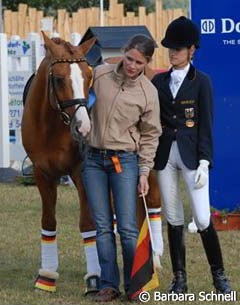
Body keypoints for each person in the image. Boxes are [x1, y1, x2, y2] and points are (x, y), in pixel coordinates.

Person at [152, 16, 231, 294]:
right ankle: (180, 279)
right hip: (165, 155)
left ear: (191, 50)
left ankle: (219, 276)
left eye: (178, 48)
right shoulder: (158, 81)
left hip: (193, 157)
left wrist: (205, 161)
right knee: (173, 216)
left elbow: (207, 125)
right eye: (170, 48)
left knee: (202, 217)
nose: (173, 52)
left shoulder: (202, 82)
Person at [81, 34, 162, 302]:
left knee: (127, 228)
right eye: (129, 58)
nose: (132, 66)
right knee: (102, 226)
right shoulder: (100, 75)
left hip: (124, 161)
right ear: (124, 52)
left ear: (147, 62)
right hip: (92, 160)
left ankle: (135, 284)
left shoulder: (148, 93)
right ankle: (108, 285)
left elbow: (151, 136)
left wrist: (143, 172)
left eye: (139, 62)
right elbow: (80, 104)